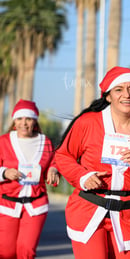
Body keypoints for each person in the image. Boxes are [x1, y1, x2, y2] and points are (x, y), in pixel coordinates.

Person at [55, 66, 130, 259]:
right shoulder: (88, 123)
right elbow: (63, 155)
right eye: (119, 89)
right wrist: (83, 176)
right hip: (89, 209)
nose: (126, 95)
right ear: (108, 96)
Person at [0, 99, 60, 259]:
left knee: (26, 250)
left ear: (35, 120)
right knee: (6, 252)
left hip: (36, 204)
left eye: (28, 118)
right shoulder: (3, 142)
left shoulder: (45, 142)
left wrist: (54, 169)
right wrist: (4, 173)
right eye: (19, 118)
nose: (24, 123)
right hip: (7, 204)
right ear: (14, 120)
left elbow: (55, 162)